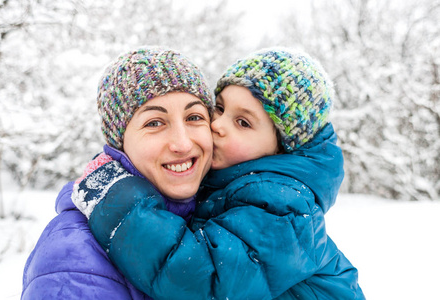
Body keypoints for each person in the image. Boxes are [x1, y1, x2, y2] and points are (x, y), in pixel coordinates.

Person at [72, 48, 365, 299]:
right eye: (219, 109)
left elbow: (203, 279)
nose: (217, 126)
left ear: (281, 147)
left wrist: (122, 207)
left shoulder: (282, 204)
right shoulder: (237, 186)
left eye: (242, 122)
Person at [21, 47, 214, 299]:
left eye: (194, 117)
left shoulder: (227, 220)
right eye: (154, 123)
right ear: (119, 143)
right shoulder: (73, 259)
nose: (183, 143)